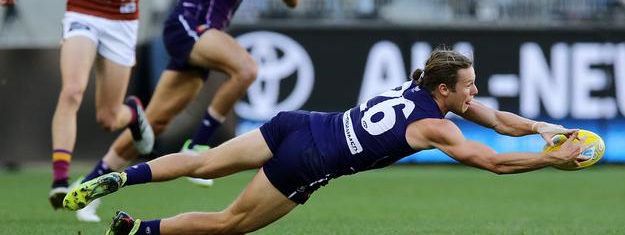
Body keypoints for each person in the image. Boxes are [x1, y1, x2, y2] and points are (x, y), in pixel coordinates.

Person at [64, 48, 588, 235]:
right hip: (310, 159)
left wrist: (542, 129)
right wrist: (553, 161)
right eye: (470, 84)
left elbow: (496, 120)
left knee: (203, 165)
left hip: (300, 123)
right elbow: (494, 163)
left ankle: (118, 178)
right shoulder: (438, 126)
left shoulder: (423, 87)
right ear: (446, 89)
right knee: (228, 224)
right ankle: (139, 232)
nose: (477, 91)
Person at [73, 0, 302, 222]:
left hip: (208, 38)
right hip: (186, 25)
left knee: (154, 124)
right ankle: (198, 145)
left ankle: (89, 187)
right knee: (247, 68)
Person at [0, 0, 178, 209]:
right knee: (72, 90)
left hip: (122, 17)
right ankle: (60, 179)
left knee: (109, 117)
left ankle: (132, 113)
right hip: (81, 8)